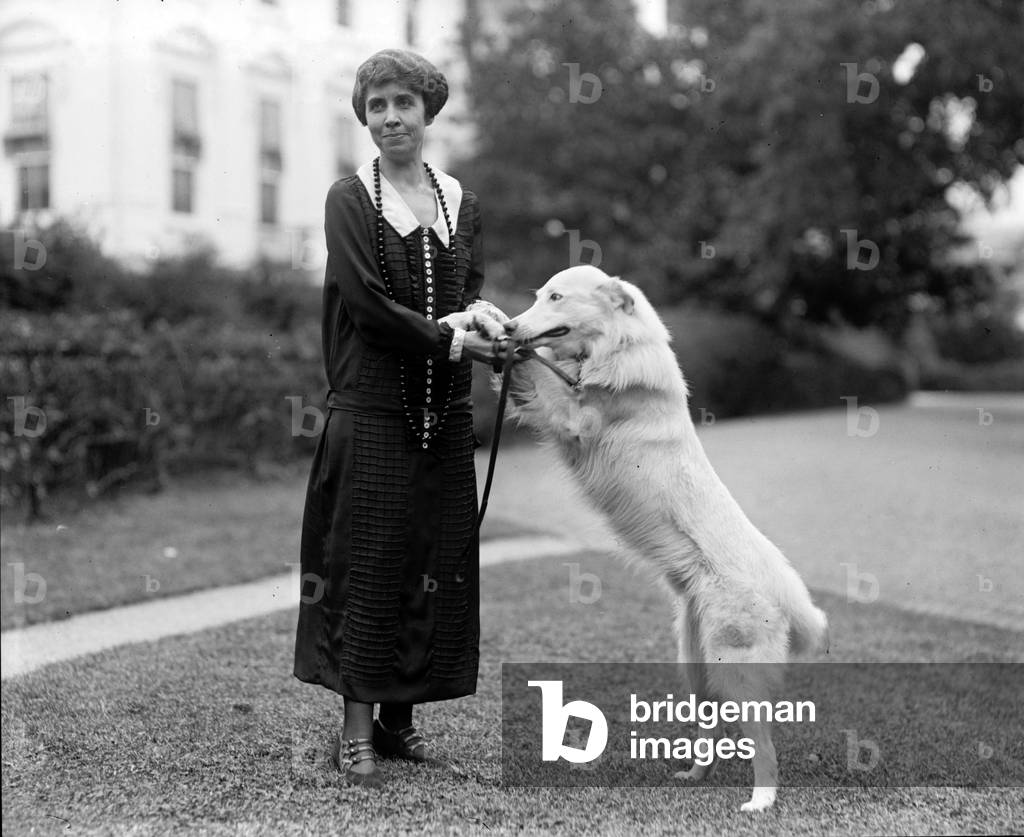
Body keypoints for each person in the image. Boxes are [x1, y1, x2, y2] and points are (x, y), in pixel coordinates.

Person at [293, 48, 506, 789]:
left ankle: (398, 722)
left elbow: (465, 291)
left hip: (441, 415)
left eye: (403, 103)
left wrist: (485, 323)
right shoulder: (349, 199)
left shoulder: (460, 203)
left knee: (433, 561)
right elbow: (368, 308)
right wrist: (453, 337)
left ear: (428, 111)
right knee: (369, 563)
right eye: (377, 104)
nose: (390, 117)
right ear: (365, 115)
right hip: (374, 411)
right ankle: (354, 731)